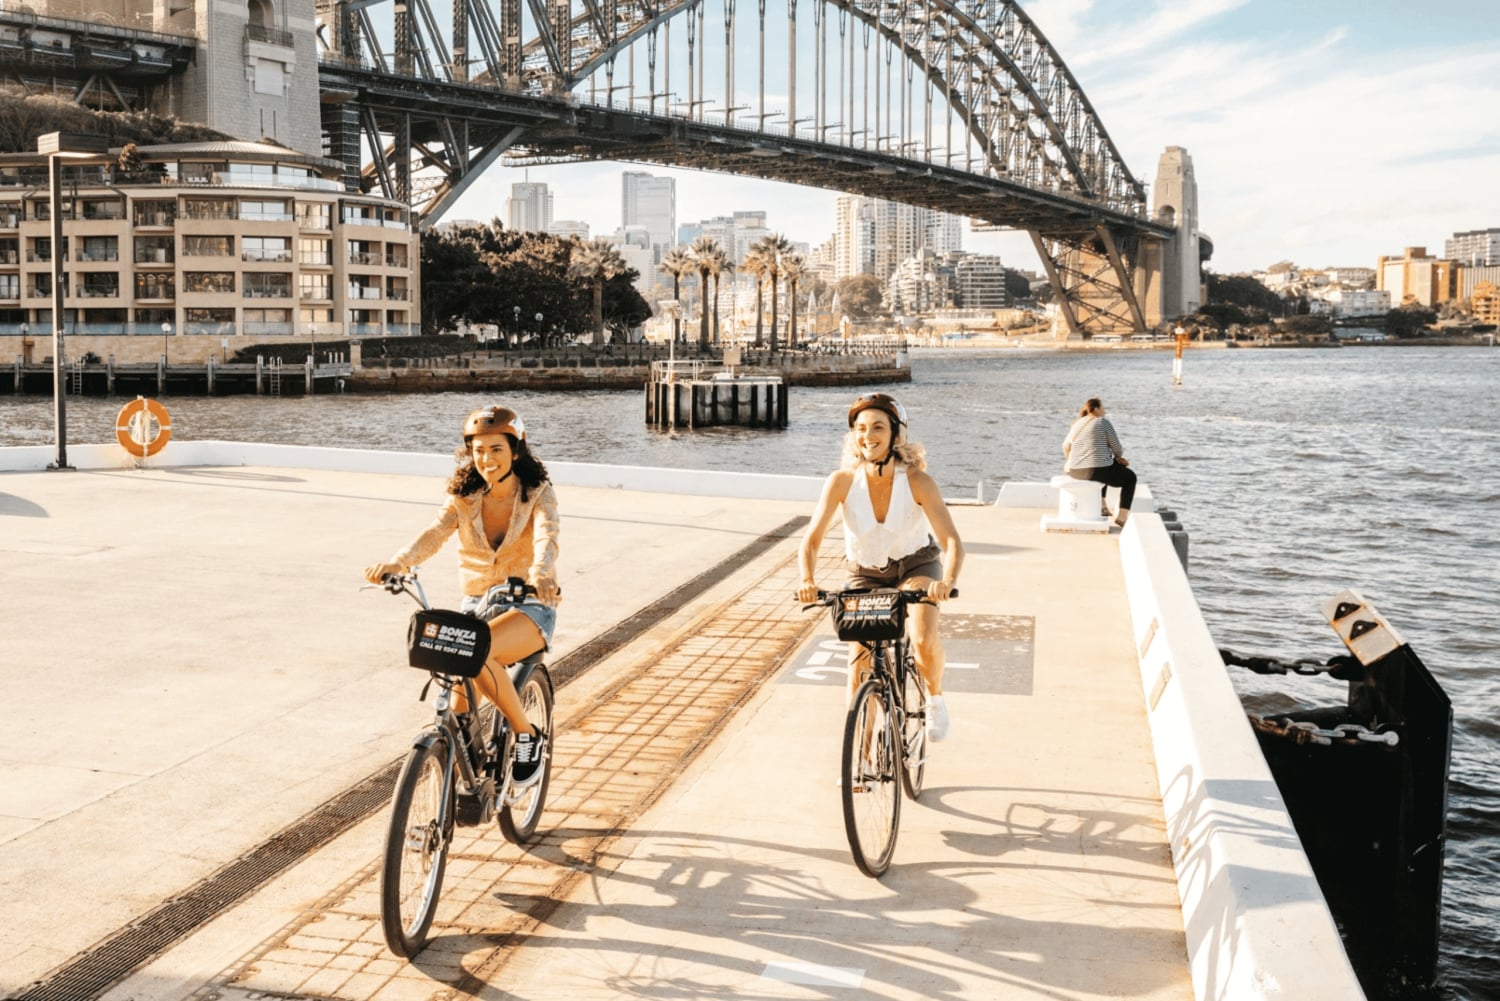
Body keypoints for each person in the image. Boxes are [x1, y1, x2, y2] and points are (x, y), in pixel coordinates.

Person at [364, 405, 560, 786]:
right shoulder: (463, 497)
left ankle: (527, 734)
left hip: (529, 604)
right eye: (478, 450)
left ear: (516, 450)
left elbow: (546, 537)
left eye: (496, 449)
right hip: (476, 607)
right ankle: (459, 792)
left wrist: (541, 574)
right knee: (458, 717)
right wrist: (397, 564)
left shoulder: (538, 494)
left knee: (478, 653)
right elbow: (434, 533)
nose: (486, 459)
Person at [796, 393, 964, 741]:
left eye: (877, 427)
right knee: (859, 662)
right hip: (864, 572)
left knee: (922, 639)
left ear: (895, 434)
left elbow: (951, 542)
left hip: (916, 565)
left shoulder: (917, 481)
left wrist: (946, 581)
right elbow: (811, 540)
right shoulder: (842, 481)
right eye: (860, 428)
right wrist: (807, 579)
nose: (867, 436)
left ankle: (935, 698)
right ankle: (864, 753)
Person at [1062, 397, 1137, 527]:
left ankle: (1102, 505)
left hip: (1075, 471)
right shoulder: (1102, 422)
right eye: (1103, 408)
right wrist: (1119, 458)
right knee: (1130, 477)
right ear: (1096, 409)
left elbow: (1065, 446)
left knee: (1105, 462)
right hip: (1095, 472)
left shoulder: (1077, 424)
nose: (1104, 411)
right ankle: (1122, 516)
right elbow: (1117, 449)